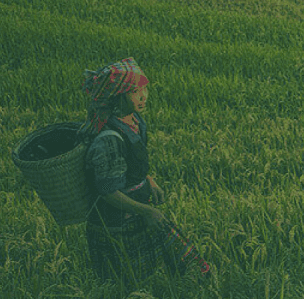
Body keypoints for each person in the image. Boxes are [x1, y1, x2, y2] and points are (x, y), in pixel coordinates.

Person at [81, 58, 212, 283]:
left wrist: (149, 181)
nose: (143, 96)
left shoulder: (134, 120)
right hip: (117, 223)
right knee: (128, 283)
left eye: (144, 88)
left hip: (137, 208)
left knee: (180, 264)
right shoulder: (109, 139)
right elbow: (107, 191)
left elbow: (132, 163)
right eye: (134, 91)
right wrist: (147, 211)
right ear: (118, 96)